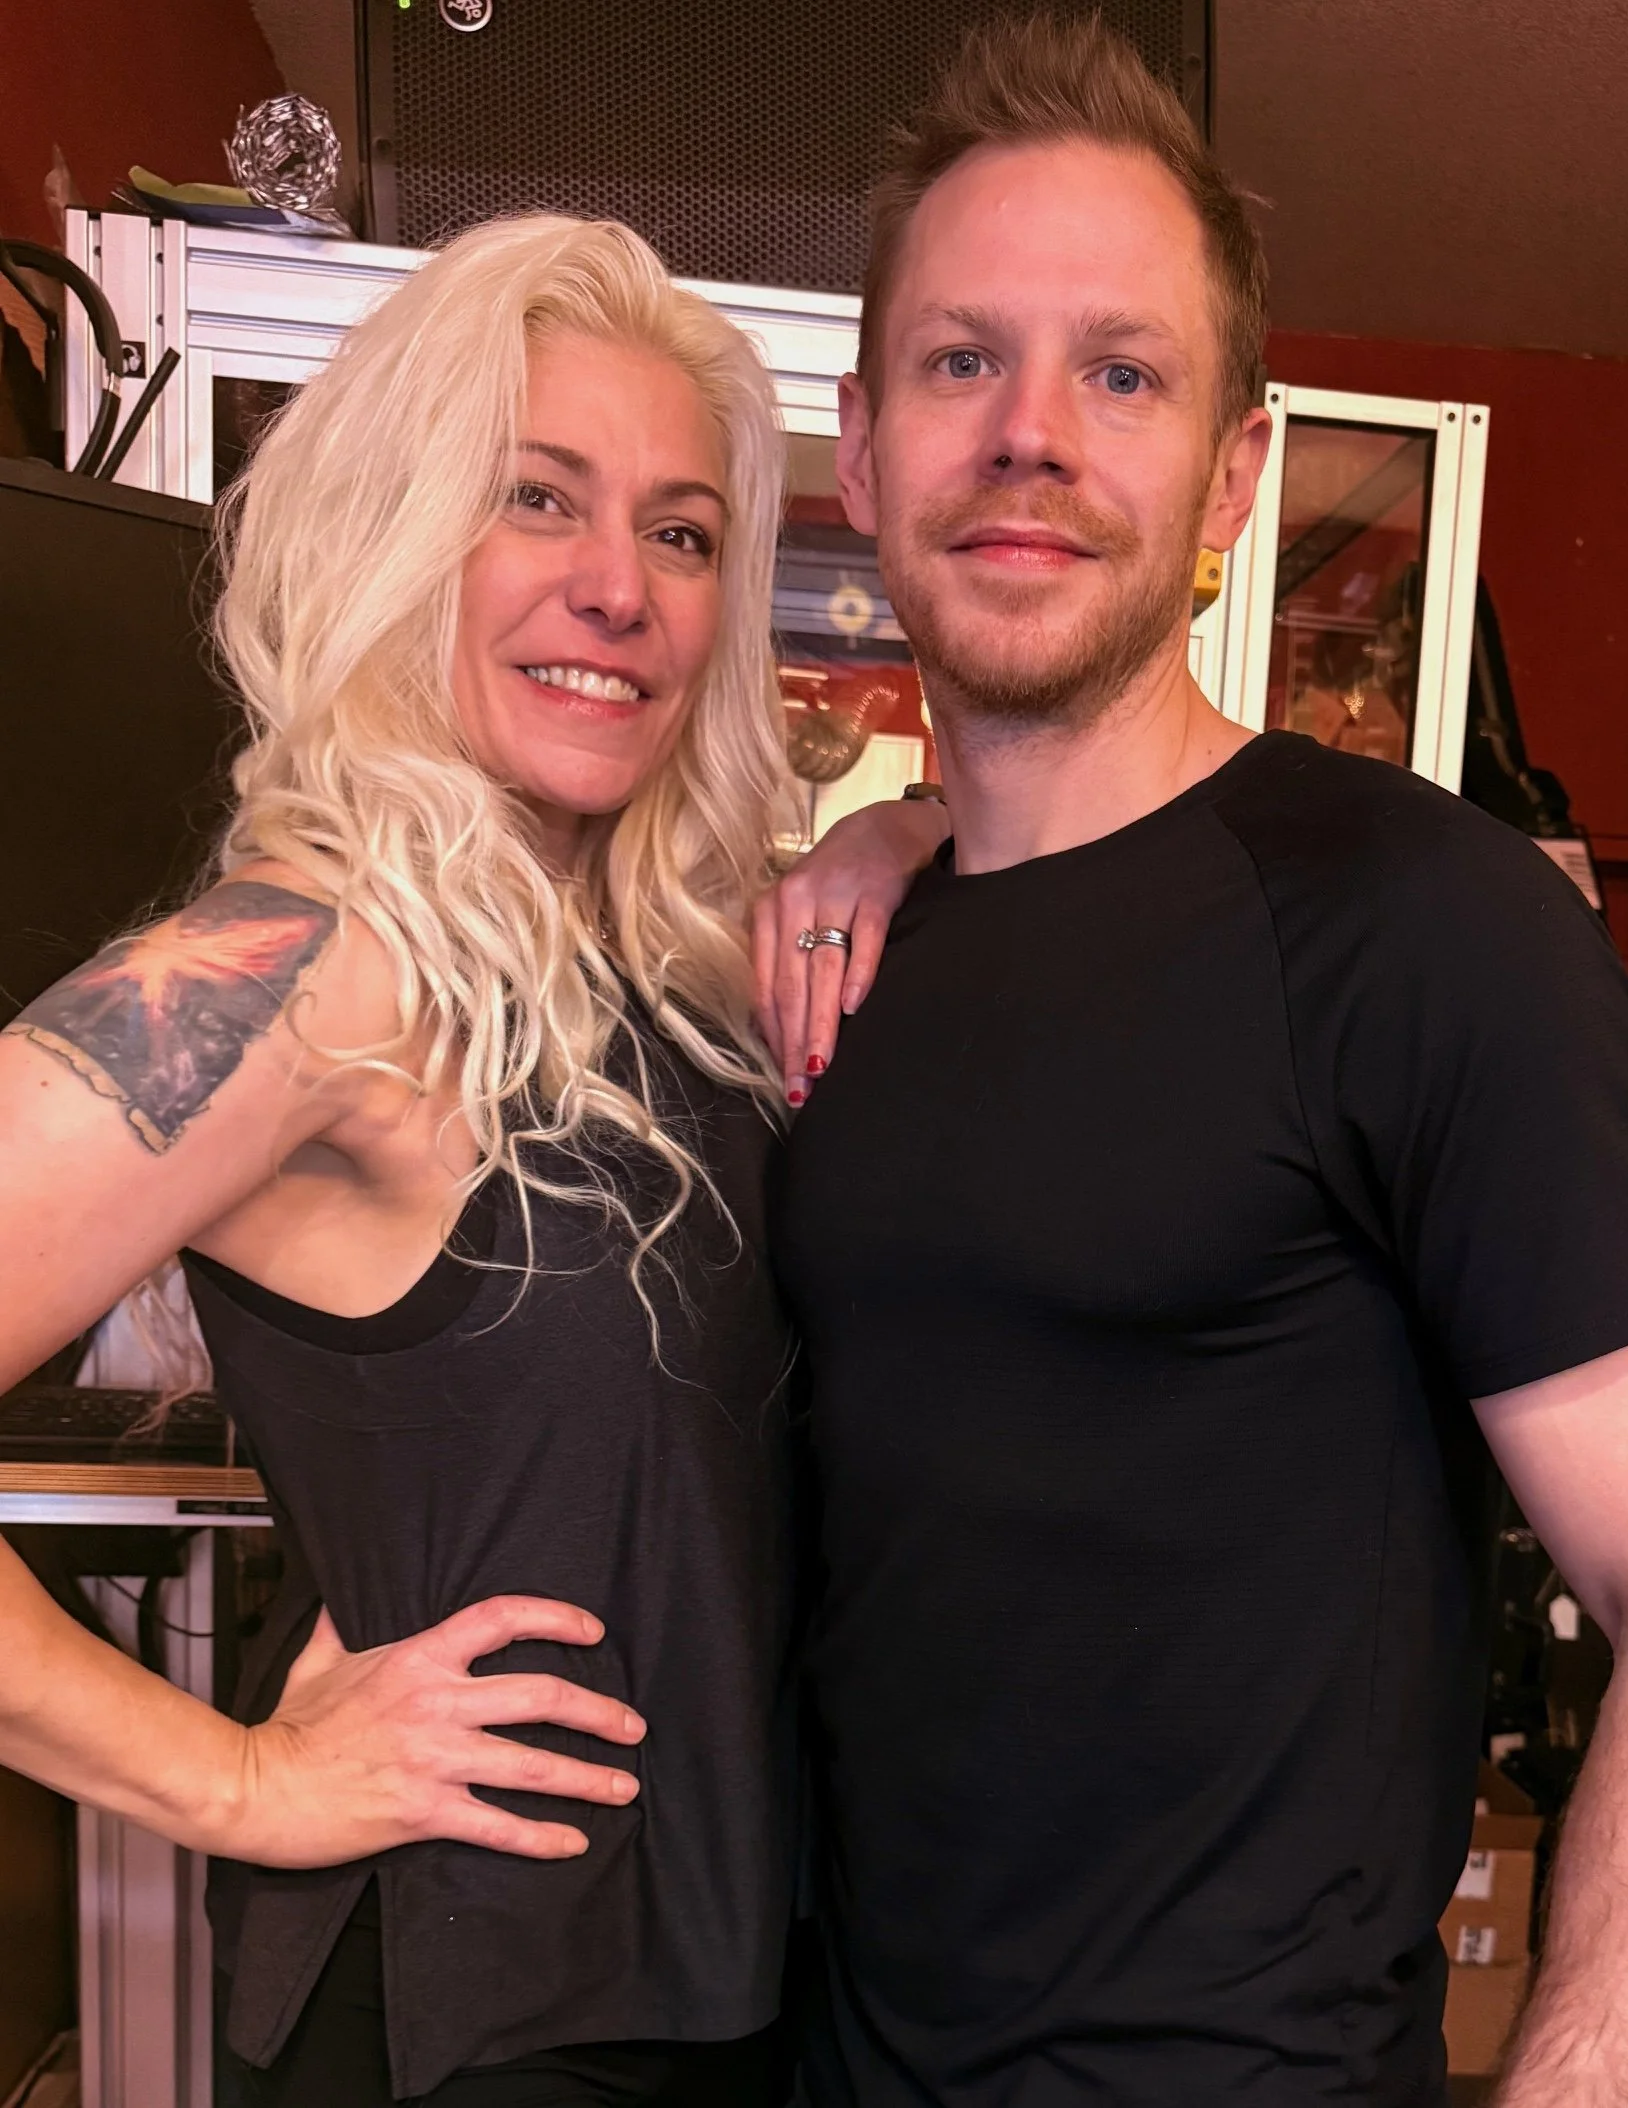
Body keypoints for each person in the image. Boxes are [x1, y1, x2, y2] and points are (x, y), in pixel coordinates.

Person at [770, 19, 1628, 2107]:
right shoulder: (851, 950)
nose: (1033, 434)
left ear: (1232, 480)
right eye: (962, 360)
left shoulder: (1421, 929)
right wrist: (876, 821)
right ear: (862, 449)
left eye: (1126, 371)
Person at [0, 214, 940, 2105]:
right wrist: (240, 1777)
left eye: (679, 533)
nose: (620, 588)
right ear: (396, 531)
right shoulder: (292, 964)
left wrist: (909, 833)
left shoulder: (667, 968)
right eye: (535, 500)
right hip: (478, 2028)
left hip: (744, 1986)